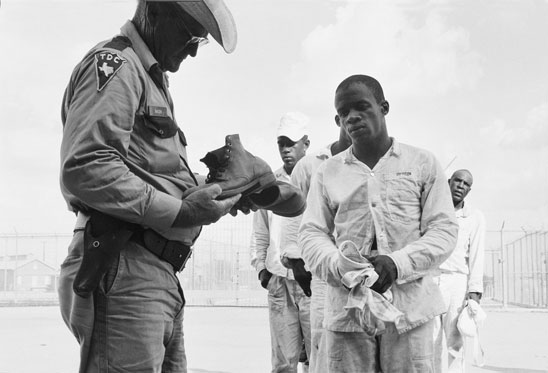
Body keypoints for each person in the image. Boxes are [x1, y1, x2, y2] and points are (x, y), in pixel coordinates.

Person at [58, 1, 244, 372]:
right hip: (126, 268)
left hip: (150, 274)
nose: (193, 49)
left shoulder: (150, 78)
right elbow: (86, 166)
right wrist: (183, 211)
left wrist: (219, 189)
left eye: (200, 41)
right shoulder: (118, 66)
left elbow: (149, 173)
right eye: (191, 36)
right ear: (155, 11)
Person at [298, 74, 458, 372]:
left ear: (383, 107)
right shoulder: (328, 172)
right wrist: (338, 265)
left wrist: (397, 264)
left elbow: (444, 230)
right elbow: (311, 234)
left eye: (361, 107)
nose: (352, 117)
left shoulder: (421, 163)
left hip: (409, 314)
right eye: (344, 113)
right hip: (348, 312)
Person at [280, 118, 352, 373]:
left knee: (354, 345)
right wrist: (296, 260)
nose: (355, 120)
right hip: (320, 270)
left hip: (358, 270)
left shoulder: (368, 163)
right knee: (320, 339)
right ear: (338, 119)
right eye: (347, 114)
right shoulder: (311, 164)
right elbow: (293, 215)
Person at [250, 112, 312, 373]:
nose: (286, 149)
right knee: (283, 362)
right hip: (279, 282)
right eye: (281, 143)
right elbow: (260, 231)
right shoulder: (269, 185)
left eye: (292, 143)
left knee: (320, 356)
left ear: (306, 143)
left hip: (312, 281)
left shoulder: (318, 178)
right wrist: (262, 269)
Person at [434, 169, 486, 372]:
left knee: (455, 341)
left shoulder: (474, 217)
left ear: (469, 190)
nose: (460, 186)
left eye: (466, 184)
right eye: (457, 181)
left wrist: (474, 292)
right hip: (431, 279)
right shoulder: (433, 210)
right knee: (430, 339)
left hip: (457, 281)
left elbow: (477, 255)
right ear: (449, 182)